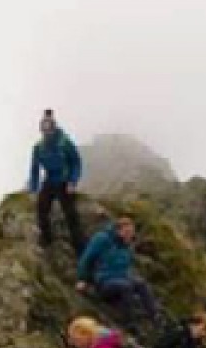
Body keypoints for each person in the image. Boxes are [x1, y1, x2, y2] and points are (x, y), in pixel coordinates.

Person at [77, 216, 162, 332]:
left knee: (141, 284)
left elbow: (125, 267)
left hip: (120, 278)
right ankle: (129, 323)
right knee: (126, 287)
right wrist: (82, 279)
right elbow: (86, 259)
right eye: (127, 232)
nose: (130, 235)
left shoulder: (126, 245)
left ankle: (155, 317)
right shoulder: (102, 239)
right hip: (103, 282)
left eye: (131, 233)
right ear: (118, 230)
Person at [28, 109, 85, 253]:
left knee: (70, 213)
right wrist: (33, 189)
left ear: (54, 128)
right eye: (44, 130)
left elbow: (76, 162)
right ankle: (46, 240)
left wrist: (72, 181)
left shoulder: (64, 142)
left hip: (64, 180)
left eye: (49, 129)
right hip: (49, 180)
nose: (47, 133)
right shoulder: (38, 148)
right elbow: (34, 169)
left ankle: (78, 244)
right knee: (42, 208)